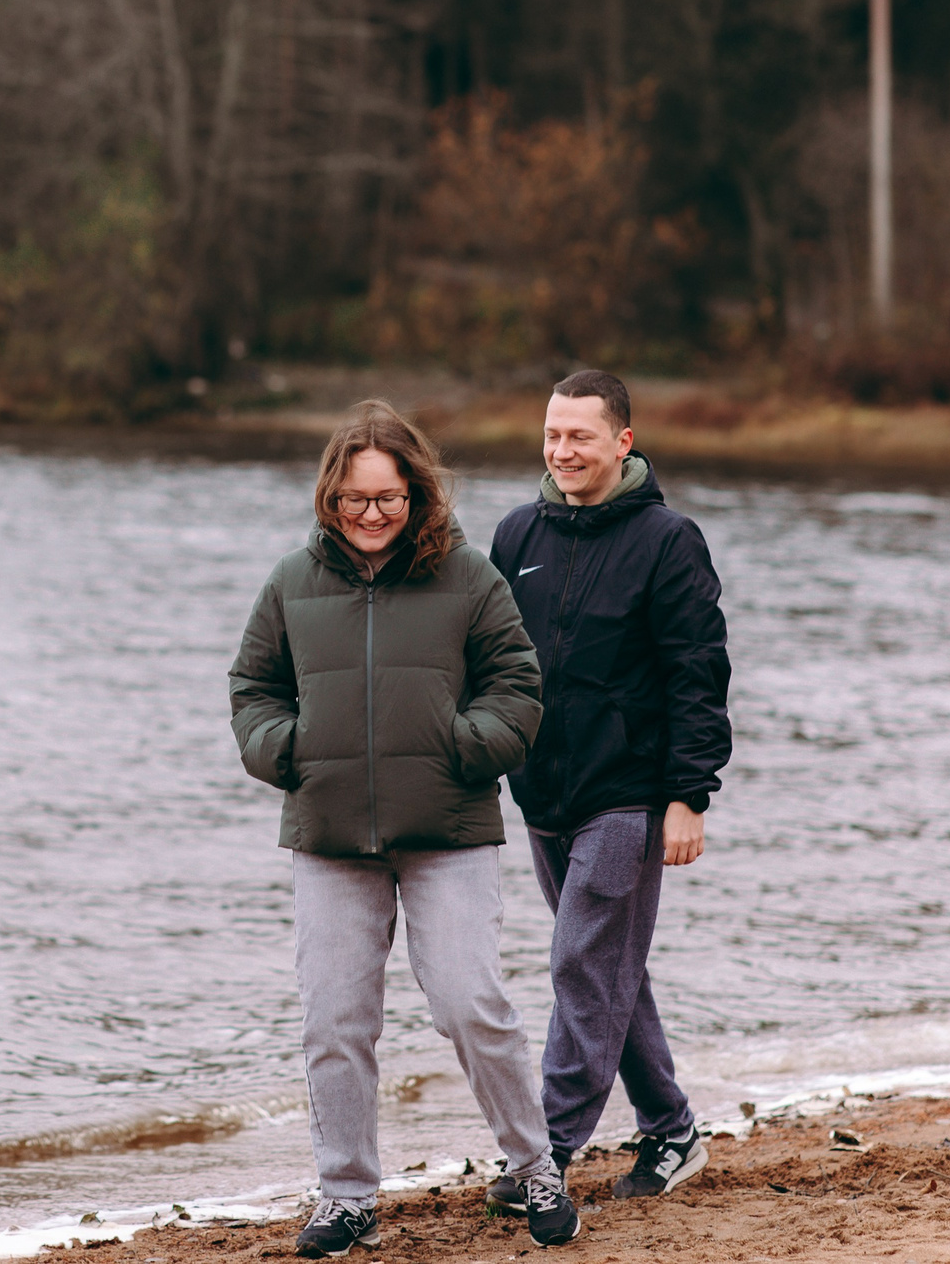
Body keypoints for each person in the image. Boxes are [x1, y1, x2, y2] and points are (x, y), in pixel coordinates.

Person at [230, 400, 581, 1255]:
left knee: (471, 1005)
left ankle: (534, 1168)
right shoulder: (290, 581)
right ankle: (347, 1195)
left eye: (388, 498)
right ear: (330, 498)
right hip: (330, 838)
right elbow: (252, 691)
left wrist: (465, 747)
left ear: (417, 495)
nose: (371, 514)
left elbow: (518, 685)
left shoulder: (467, 577)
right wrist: (291, 750)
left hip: (450, 831)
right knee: (336, 1023)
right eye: (354, 499)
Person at [488, 369, 732, 1203]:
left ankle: (544, 1154)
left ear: (622, 441)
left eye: (579, 436)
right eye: (552, 435)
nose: (562, 451)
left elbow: (698, 674)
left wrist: (688, 794)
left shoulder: (669, 540)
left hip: (628, 795)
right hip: (544, 794)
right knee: (609, 968)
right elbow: (491, 664)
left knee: (581, 963)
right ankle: (671, 1131)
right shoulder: (517, 536)